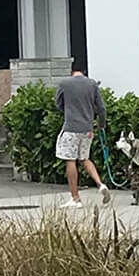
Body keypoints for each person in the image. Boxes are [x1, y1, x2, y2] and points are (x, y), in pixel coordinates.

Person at [53, 69, 110, 207]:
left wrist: (68, 111)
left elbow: (58, 104)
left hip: (71, 128)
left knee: (70, 161)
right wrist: (101, 125)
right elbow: (101, 108)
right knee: (84, 158)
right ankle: (100, 184)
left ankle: (75, 198)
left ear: (72, 72)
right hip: (87, 129)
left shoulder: (64, 83)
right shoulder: (92, 84)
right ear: (83, 72)